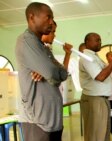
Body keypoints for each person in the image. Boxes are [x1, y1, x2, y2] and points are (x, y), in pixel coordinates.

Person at [15, 2, 70, 141]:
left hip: (51, 121)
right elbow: (52, 73)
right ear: (32, 17)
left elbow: (62, 74)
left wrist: (49, 71)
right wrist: (50, 72)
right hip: (38, 123)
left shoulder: (43, 48)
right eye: (48, 17)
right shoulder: (26, 41)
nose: (51, 22)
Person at [79, 32, 112, 141]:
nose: (100, 42)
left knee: (103, 132)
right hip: (95, 100)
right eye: (97, 40)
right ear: (88, 42)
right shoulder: (87, 57)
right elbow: (100, 77)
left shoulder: (94, 57)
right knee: (96, 134)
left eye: (100, 40)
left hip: (103, 99)